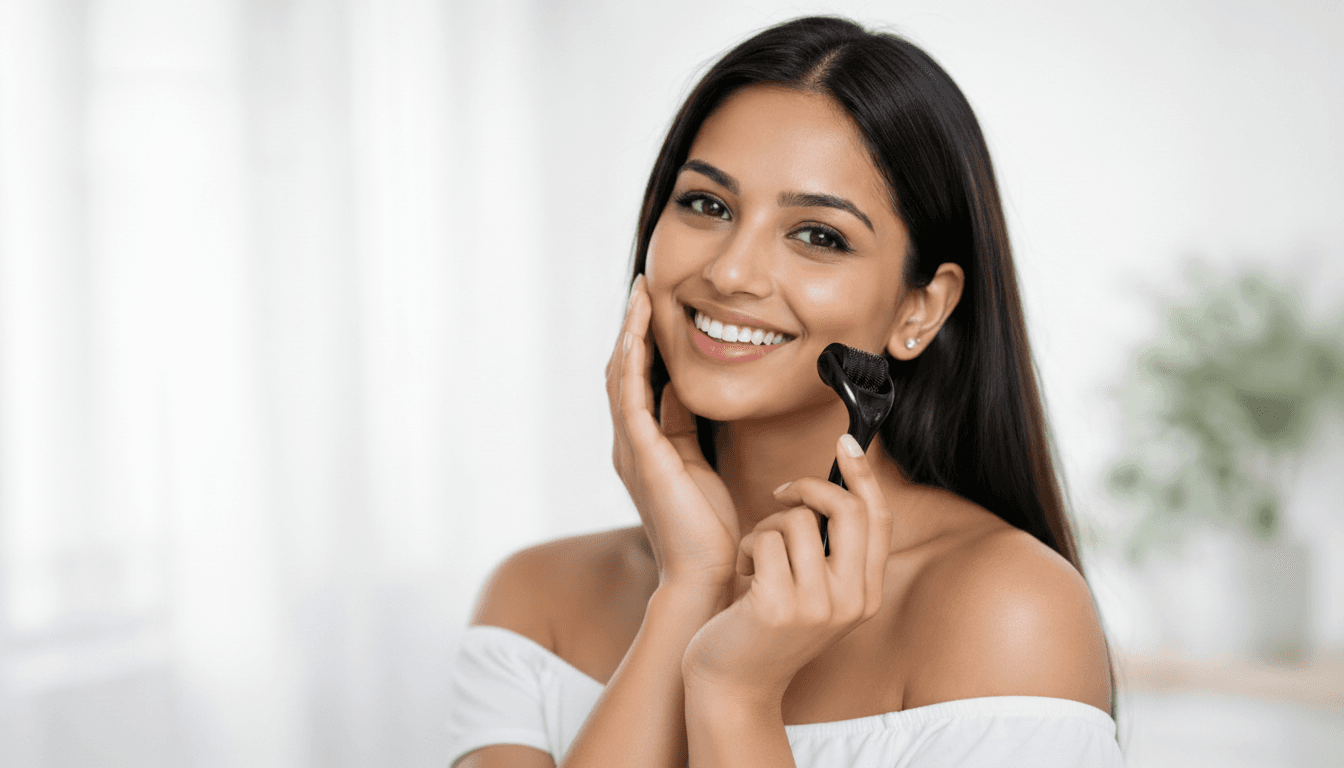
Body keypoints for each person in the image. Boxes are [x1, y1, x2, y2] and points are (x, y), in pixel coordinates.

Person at [446, 15, 1121, 768]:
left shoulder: (1009, 613)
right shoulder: (536, 600)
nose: (732, 272)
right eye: (707, 205)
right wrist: (689, 591)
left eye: (819, 236)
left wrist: (735, 695)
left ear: (919, 309)